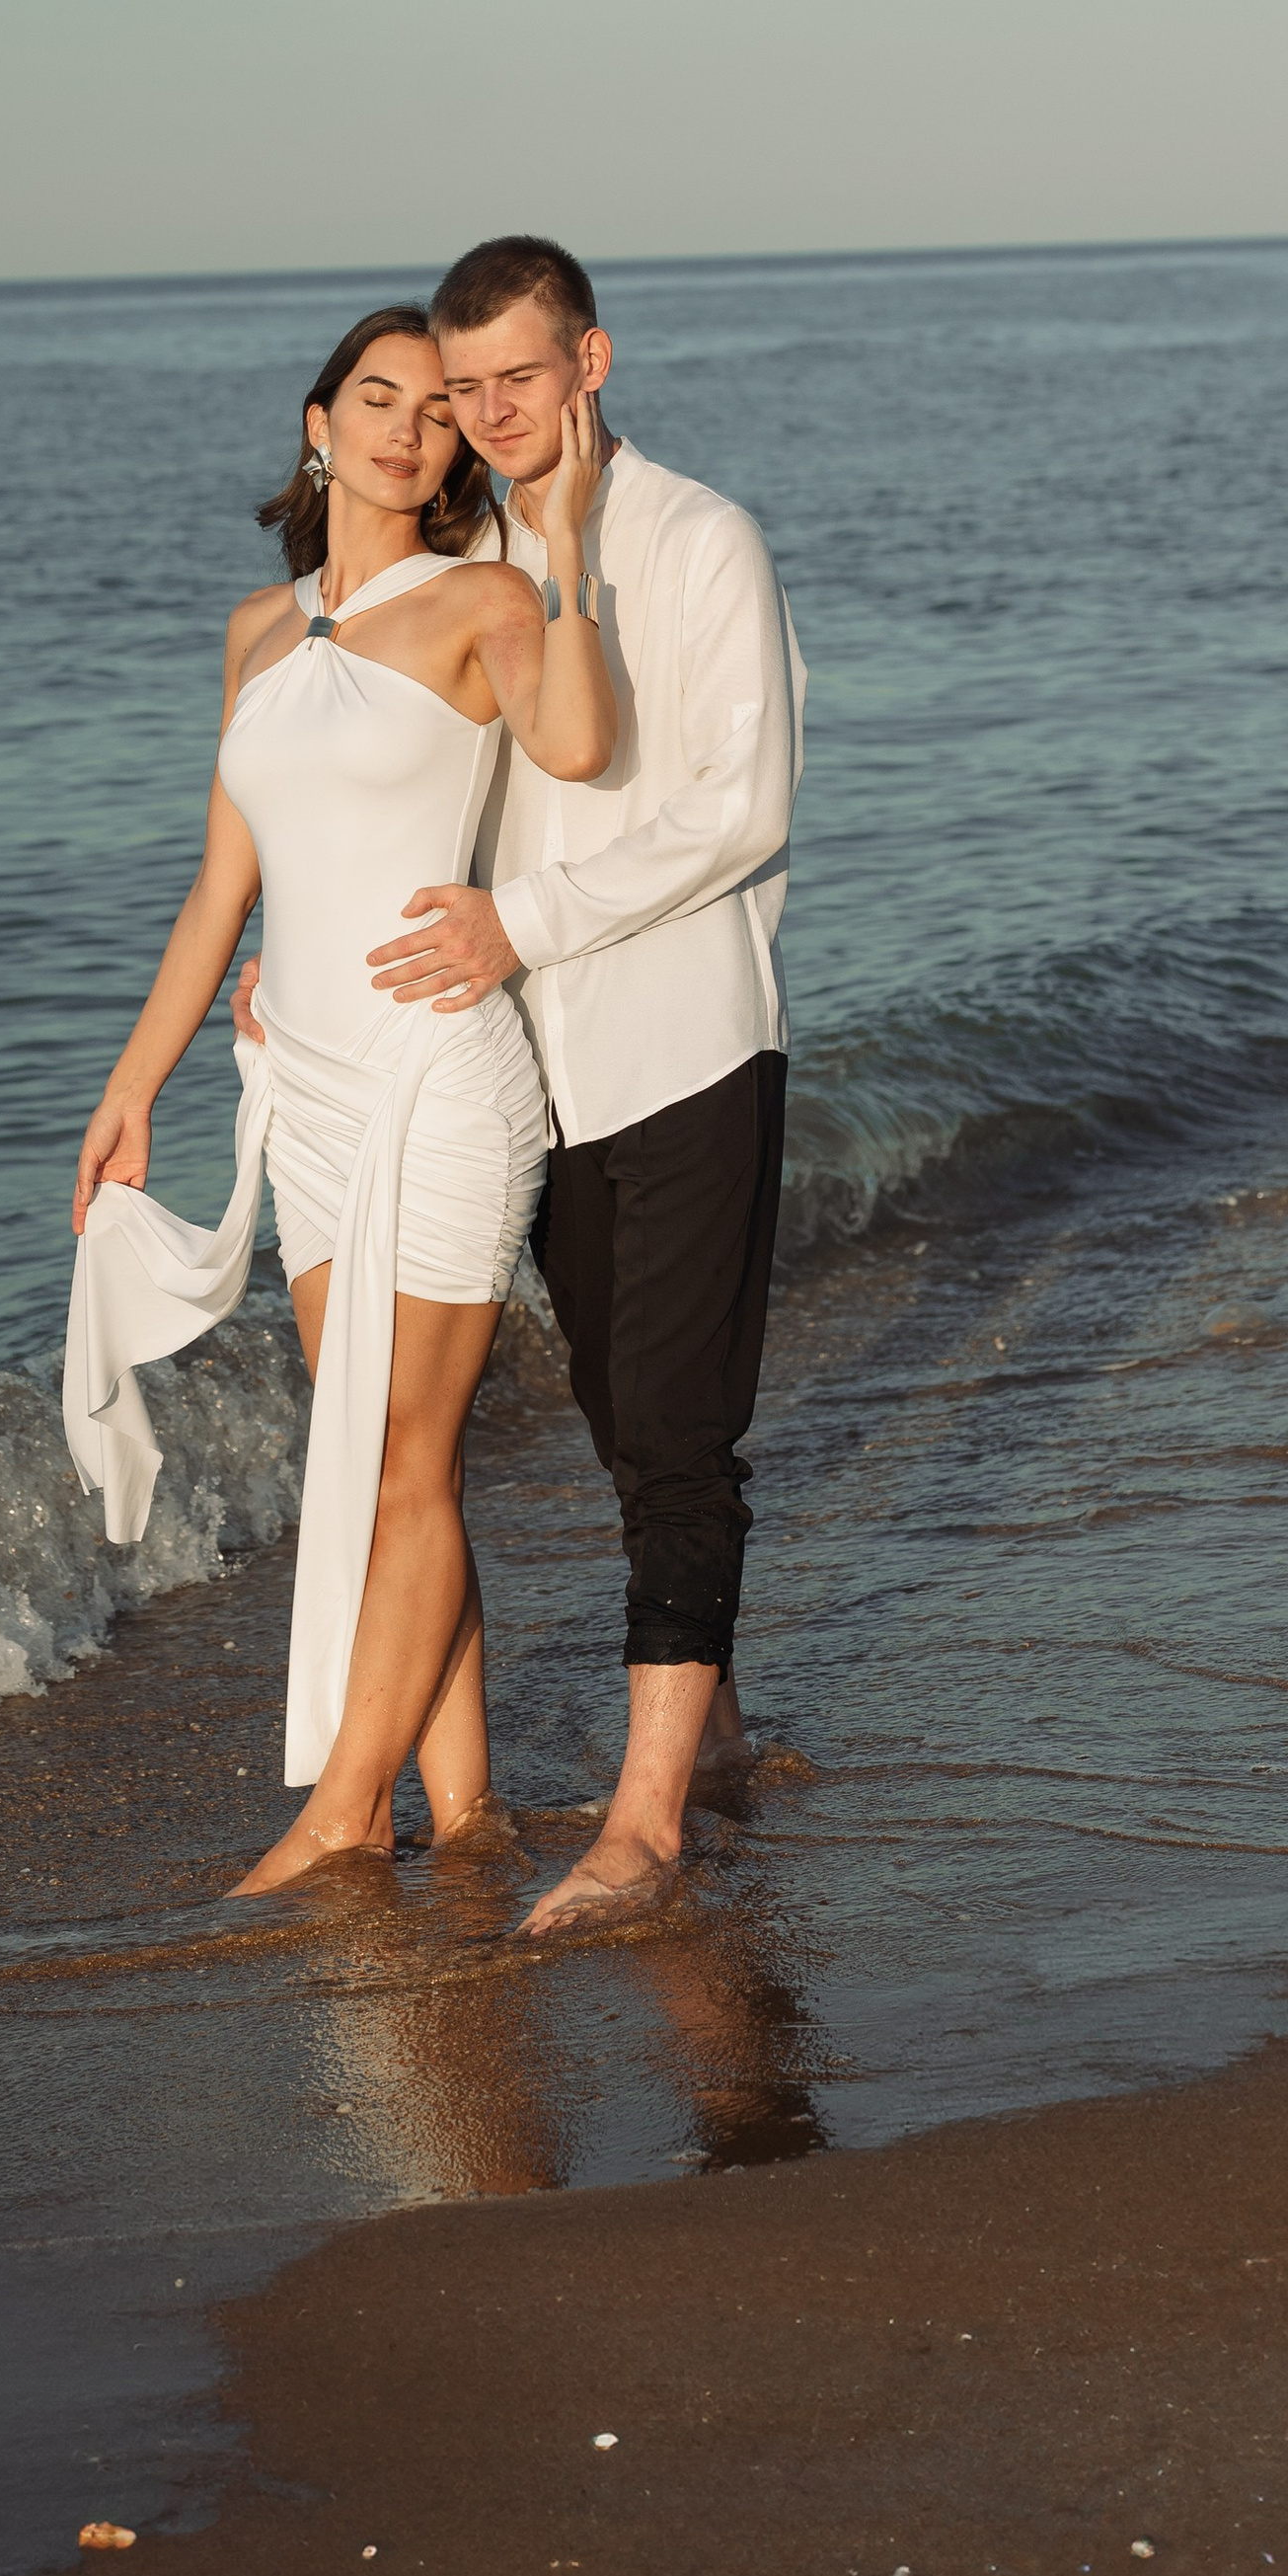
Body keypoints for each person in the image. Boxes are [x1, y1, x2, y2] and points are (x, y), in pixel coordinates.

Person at [270, 232, 805, 1936]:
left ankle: (642, 1828)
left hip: (686, 1041)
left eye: (521, 375)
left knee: (674, 1434)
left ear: (592, 363)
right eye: (464, 386)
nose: (490, 412)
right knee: (608, 1419)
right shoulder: (465, 557)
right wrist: (294, 993)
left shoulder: (701, 538)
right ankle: (708, 1726)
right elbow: (404, 805)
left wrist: (526, 922)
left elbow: (740, 809)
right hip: (517, 1070)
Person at [63, 302, 615, 1894]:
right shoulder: (259, 628)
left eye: (438, 411)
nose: (404, 429)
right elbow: (220, 886)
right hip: (296, 1086)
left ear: (456, 451)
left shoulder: (484, 598)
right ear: (319, 420)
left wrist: (562, 540)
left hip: (438, 1078)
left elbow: (575, 745)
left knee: (402, 1458)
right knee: (382, 1456)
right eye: (377, 399)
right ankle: (471, 1806)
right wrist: (132, 1089)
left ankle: (342, 1812)